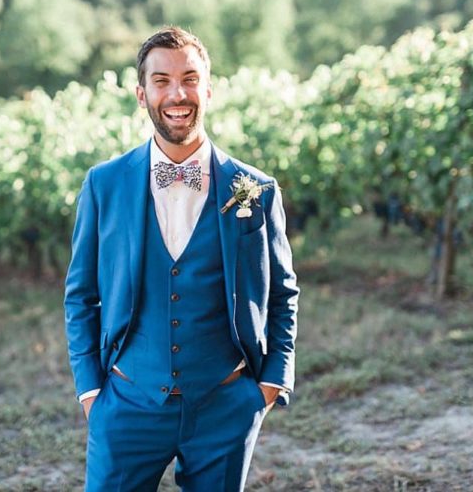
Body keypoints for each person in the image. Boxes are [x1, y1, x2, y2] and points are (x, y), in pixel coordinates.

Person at [63, 26, 300, 491]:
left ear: (208, 89)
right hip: (126, 404)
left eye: (190, 79)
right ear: (141, 93)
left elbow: (283, 293)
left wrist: (270, 384)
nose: (178, 93)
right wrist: (91, 391)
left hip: (225, 405)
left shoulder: (256, 188)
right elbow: (80, 294)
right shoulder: (103, 184)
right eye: (162, 80)